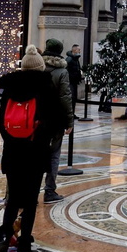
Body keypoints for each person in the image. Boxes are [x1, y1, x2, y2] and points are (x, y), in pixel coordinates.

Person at [0, 46, 65, 252]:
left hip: (13, 152)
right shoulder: (46, 87)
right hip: (35, 152)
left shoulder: (9, 88)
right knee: (31, 201)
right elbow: (58, 120)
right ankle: (24, 247)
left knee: (13, 199)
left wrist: (14, 140)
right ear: (40, 66)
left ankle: (4, 240)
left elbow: (2, 125)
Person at [40, 40, 75, 203]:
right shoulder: (61, 71)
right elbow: (65, 98)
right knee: (54, 155)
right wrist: (69, 121)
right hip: (54, 120)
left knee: (35, 154)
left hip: (36, 118)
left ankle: (32, 190)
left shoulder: (37, 67)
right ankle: (49, 190)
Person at [67, 44, 83, 112]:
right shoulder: (70, 59)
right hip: (71, 81)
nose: (80, 51)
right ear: (75, 50)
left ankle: (73, 113)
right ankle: (71, 113)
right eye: (79, 50)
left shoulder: (76, 59)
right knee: (72, 98)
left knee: (74, 98)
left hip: (74, 81)